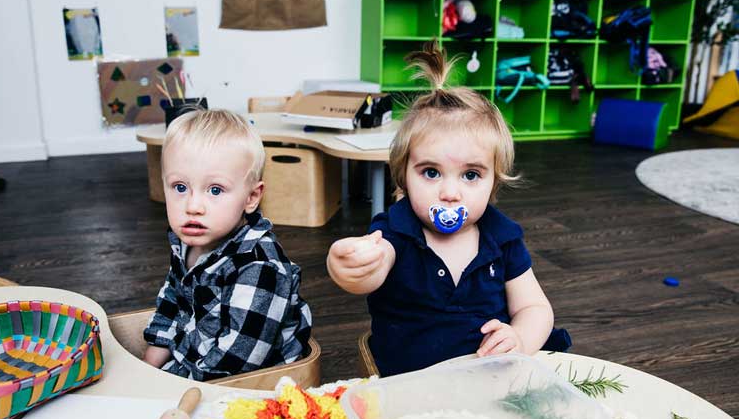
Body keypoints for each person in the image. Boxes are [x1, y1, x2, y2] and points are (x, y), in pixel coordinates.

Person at [327, 41, 570, 376]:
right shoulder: (395, 232)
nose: (450, 193)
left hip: (488, 377)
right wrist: (346, 266)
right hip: (410, 383)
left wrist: (520, 339)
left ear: (493, 184)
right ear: (404, 177)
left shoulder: (503, 238)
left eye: (471, 175)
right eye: (431, 172)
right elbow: (371, 271)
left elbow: (535, 307)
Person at [143, 107, 312, 380]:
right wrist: (146, 371)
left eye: (215, 190)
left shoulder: (258, 266)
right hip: (199, 356)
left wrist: (170, 383)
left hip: (251, 381)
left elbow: (238, 362)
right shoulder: (187, 244)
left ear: (251, 197)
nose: (193, 206)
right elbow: (171, 306)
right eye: (180, 187)